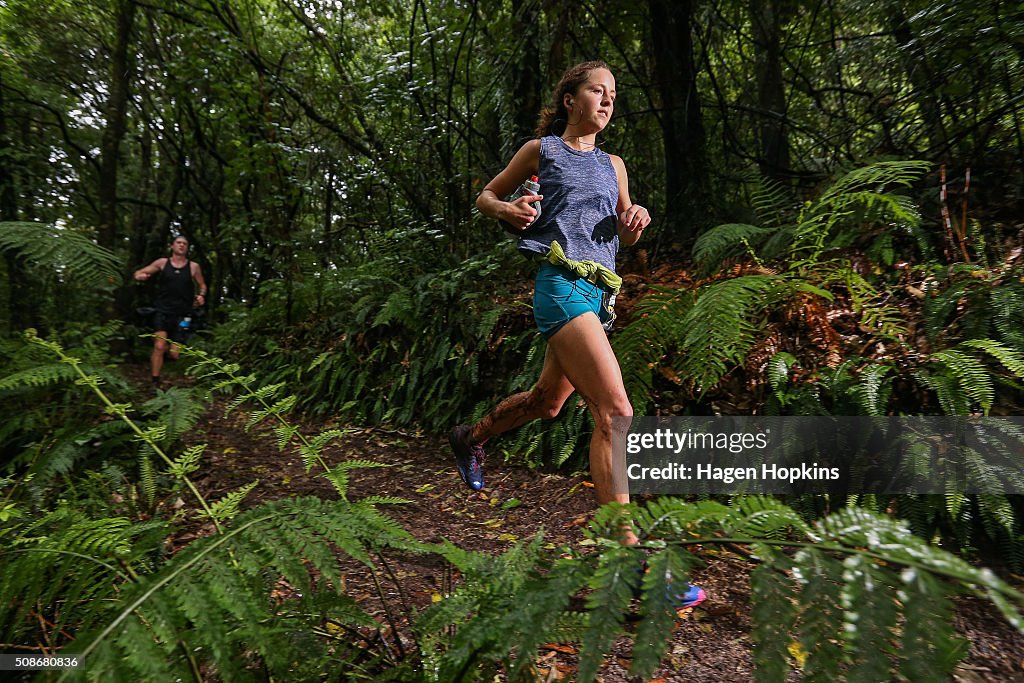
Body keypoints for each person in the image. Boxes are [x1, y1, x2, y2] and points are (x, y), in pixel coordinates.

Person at [449, 61, 705, 607]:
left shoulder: (615, 165)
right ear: (570, 99)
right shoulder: (542, 151)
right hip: (559, 286)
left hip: (599, 293)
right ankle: (628, 558)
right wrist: (509, 209)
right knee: (616, 413)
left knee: (547, 404)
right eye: (597, 90)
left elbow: (623, 233)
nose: (608, 101)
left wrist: (633, 223)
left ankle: (471, 438)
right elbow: (486, 197)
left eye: (613, 94)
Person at [133, 235, 207, 386]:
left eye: (184, 244)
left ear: (187, 248)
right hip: (162, 311)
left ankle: (167, 356)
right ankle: (155, 381)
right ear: (172, 246)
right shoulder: (162, 263)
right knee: (159, 346)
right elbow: (140, 272)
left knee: (175, 353)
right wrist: (140, 276)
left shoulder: (193, 267)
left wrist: (201, 296)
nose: (181, 245)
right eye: (178, 243)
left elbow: (202, 285)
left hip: (184, 315)